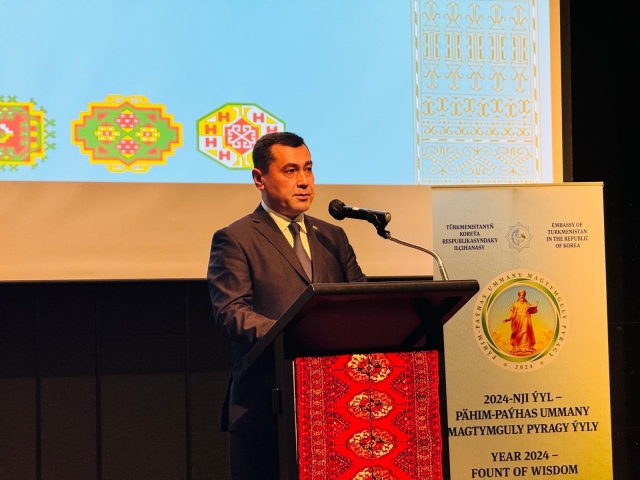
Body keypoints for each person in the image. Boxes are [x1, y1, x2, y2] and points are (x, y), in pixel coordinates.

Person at [207, 131, 366, 479]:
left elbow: (358, 296)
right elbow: (231, 313)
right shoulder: (236, 238)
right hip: (268, 405)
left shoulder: (331, 235)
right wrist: (297, 333)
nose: (304, 182)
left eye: (308, 170)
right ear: (259, 179)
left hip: (337, 399)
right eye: (290, 171)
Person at [503, 289, 537, 355]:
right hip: (517, 320)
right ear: (519, 295)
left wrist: (534, 308)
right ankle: (517, 347)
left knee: (525, 332)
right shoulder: (516, 304)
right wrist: (508, 319)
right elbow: (512, 312)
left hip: (526, 319)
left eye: (523, 295)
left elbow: (532, 311)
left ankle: (525, 348)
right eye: (521, 295)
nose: (522, 296)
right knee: (517, 334)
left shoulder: (527, 303)